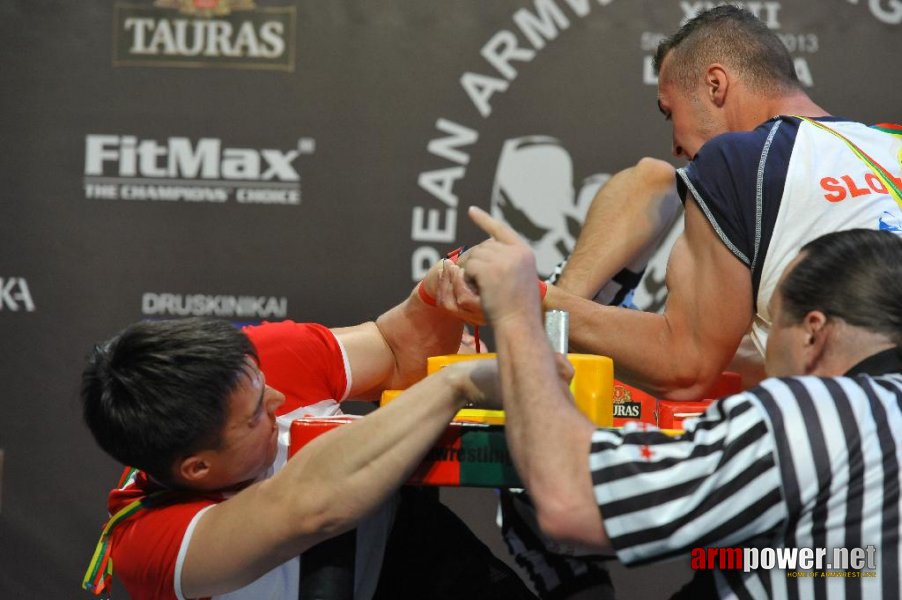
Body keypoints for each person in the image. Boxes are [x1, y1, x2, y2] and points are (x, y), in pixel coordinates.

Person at [438, 5, 902, 402]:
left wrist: (526, 297)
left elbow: (685, 367)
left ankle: (547, 340)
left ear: (716, 85)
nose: (677, 145)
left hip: (860, 441)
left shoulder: (741, 158)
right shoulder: (890, 143)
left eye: (669, 111)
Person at [464, 205, 902, 598]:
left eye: (771, 326)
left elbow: (573, 501)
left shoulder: (809, 413)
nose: (765, 351)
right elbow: (842, 562)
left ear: (812, 331)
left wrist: (516, 315)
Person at [80, 257, 536, 600]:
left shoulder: (258, 360)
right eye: (258, 412)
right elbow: (312, 507)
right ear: (198, 469)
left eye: (262, 382)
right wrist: (454, 385)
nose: (277, 399)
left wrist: (438, 293)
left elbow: (395, 352)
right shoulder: (150, 541)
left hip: (415, 557)